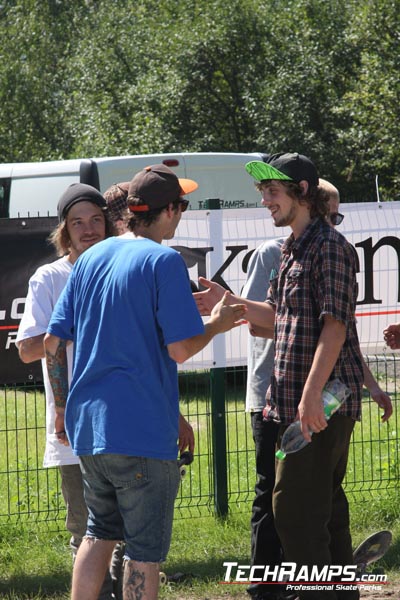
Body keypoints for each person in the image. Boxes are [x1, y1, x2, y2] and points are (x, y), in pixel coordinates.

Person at [44, 164, 246, 600]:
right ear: (169, 210)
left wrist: (63, 403)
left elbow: (52, 341)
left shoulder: (92, 257)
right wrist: (217, 323)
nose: (182, 214)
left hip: (89, 430)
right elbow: (180, 349)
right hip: (139, 433)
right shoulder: (164, 260)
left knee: (98, 533)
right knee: (144, 552)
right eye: (183, 206)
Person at [194, 152, 366, 599]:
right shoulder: (292, 247)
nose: (266, 201)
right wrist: (229, 300)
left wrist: (310, 399)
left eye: (273, 192)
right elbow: (276, 319)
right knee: (320, 510)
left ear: (302, 193)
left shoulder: (330, 248)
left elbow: (335, 326)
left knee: (293, 509)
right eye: (264, 193)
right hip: (292, 402)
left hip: (319, 404)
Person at [16, 183, 119, 599]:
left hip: (124, 419)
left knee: (131, 528)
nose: (89, 229)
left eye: (96, 219)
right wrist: (67, 333)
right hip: (73, 426)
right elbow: (25, 349)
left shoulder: (122, 267)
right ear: (64, 230)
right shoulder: (51, 277)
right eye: (78, 222)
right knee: (87, 528)